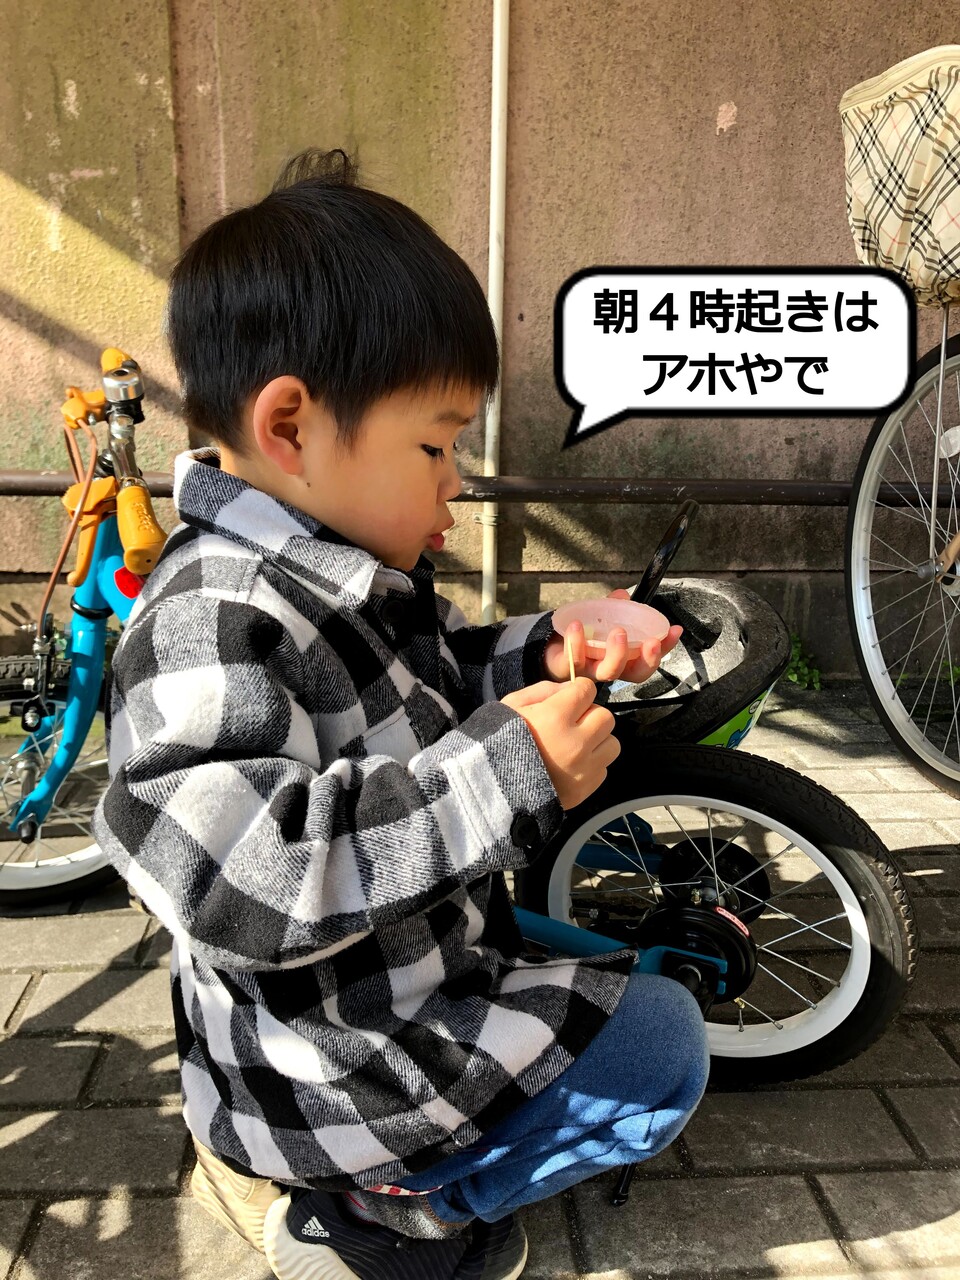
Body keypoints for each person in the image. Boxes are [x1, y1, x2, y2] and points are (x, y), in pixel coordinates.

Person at [92, 148, 710, 1280]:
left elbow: (441, 675)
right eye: (435, 444)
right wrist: (503, 772)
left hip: (407, 976)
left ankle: (406, 1168)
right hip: (330, 1069)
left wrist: (554, 640)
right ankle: (380, 1211)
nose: (454, 480)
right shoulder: (207, 619)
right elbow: (238, 881)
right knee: (662, 1046)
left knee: (615, 966)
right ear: (290, 425)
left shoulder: (337, 567)